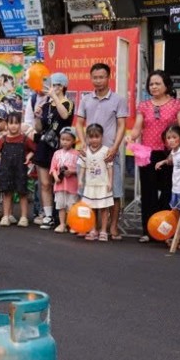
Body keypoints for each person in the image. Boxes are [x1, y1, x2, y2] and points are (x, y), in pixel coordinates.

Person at [127, 70, 180, 242]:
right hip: (148, 153)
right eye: (151, 84)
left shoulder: (177, 105)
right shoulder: (143, 105)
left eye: (158, 83)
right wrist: (131, 136)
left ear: (166, 85)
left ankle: (164, 228)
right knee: (148, 191)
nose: (154, 87)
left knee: (168, 191)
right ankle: (148, 230)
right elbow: (138, 127)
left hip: (169, 153)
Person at [75, 63, 128, 241]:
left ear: (108, 77)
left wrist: (115, 147)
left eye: (101, 77)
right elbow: (79, 123)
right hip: (89, 155)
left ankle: (113, 227)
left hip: (109, 154)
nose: (98, 81)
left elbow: (122, 125)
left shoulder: (118, 100)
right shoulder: (85, 99)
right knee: (89, 191)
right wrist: (82, 143)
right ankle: (92, 226)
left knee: (114, 191)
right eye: (95, 77)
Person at [30, 73, 73, 228]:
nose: (50, 89)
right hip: (43, 146)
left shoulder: (67, 103)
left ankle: (62, 217)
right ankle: (48, 215)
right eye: (50, 86)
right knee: (45, 183)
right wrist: (37, 116)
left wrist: (54, 97)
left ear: (61, 87)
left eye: (54, 85)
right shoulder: (46, 106)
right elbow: (39, 128)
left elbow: (65, 116)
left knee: (60, 182)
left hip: (60, 148)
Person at [155, 125, 180, 252]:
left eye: (174, 137)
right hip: (176, 188)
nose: (171, 140)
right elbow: (171, 160)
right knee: (177, 213)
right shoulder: (174, 152)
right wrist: (162, 162)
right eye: (168, 138)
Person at [0, 112, 35, 227]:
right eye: (11, 123)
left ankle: (23, 217)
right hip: (6, 170)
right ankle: (6, 216)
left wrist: (28, 156)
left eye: (16, 123)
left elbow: (34, 149)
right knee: (7, 193)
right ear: (7, 124)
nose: (14, 126)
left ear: (20, 124)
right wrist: (1, 159)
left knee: (22, 193)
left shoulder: (25, 139)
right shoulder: (3, 139)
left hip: (20, 169)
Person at [79, 124, 113, 240]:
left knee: (104, 208)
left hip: (102, 184)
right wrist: (80, 179)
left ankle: (103, 231)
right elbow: (83, 166)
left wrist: (110, 182)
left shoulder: (106, 151)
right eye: (91, 137)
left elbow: (109, 167)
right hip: (90, 185)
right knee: (91, 208)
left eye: (97, 137)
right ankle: (93, 230)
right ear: (87, 137)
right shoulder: (85, 151)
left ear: (102, 137)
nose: (94, 139)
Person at [49, 127, 80, 233]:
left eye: (68, 140)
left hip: (72, 185)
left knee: (71, 206)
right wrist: (55, 176)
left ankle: (72, 224)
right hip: (59, 185)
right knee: (61, 205)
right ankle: (62, 224)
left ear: (73, 141)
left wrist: (72, 172)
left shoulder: (76, 154)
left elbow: (79, 169)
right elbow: (53, 168)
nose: (65, 142)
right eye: (63, 139)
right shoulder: (56, 153)